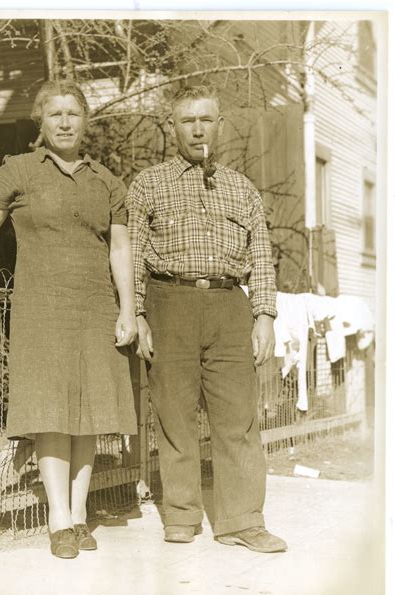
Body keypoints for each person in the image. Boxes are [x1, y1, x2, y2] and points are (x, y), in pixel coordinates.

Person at [0, 79, 138, 559]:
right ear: (41, 121)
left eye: (74, 113)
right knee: (52, 410)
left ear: (85, 121)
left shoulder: (107, 181)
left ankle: (79, 511)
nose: (66, 122)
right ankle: (59, 519)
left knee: (89, 413)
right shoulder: (17, 171)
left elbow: (120, 248)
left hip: (95, 305)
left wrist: (129, 308)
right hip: (42, 305)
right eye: (56, 114)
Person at [126, 85, 287, 552]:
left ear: (219, 125)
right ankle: (181, 515)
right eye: (187, 120)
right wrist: (137, 312)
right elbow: (134, 252)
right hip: (168, 302)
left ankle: (242, 520)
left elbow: (261, 252)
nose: (198, 128)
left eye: (206, 119)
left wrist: (264, 315)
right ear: (172, 127)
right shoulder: (149, 183)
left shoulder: (241, 187)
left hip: (228, 306)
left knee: (237, 419)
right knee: (174, 417)